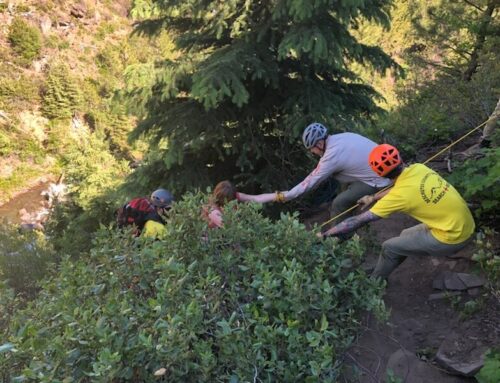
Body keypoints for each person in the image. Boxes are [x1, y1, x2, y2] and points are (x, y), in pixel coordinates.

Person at [318, 144, 475, 279]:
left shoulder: (399, 197)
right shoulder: (418, 168)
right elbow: (399, 187)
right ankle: (384, 269)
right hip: (464, 223)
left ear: (380, 174)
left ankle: (375, 282)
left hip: (453, 237)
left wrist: (325, 235)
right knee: (405, 234)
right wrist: (373, 197)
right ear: (399, 159)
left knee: (389, 247)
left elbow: (357, 221)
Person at [241, 122, 391, 227]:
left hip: (379, 181)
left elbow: (308, 184)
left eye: (311, 149)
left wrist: (285, 196)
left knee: (339, 202)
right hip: (385, 169)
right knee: (342, 184)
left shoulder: (331, 156)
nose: (312, 153)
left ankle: (337, 240)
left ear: (319, 144)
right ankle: (351, 218)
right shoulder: (341, 137)